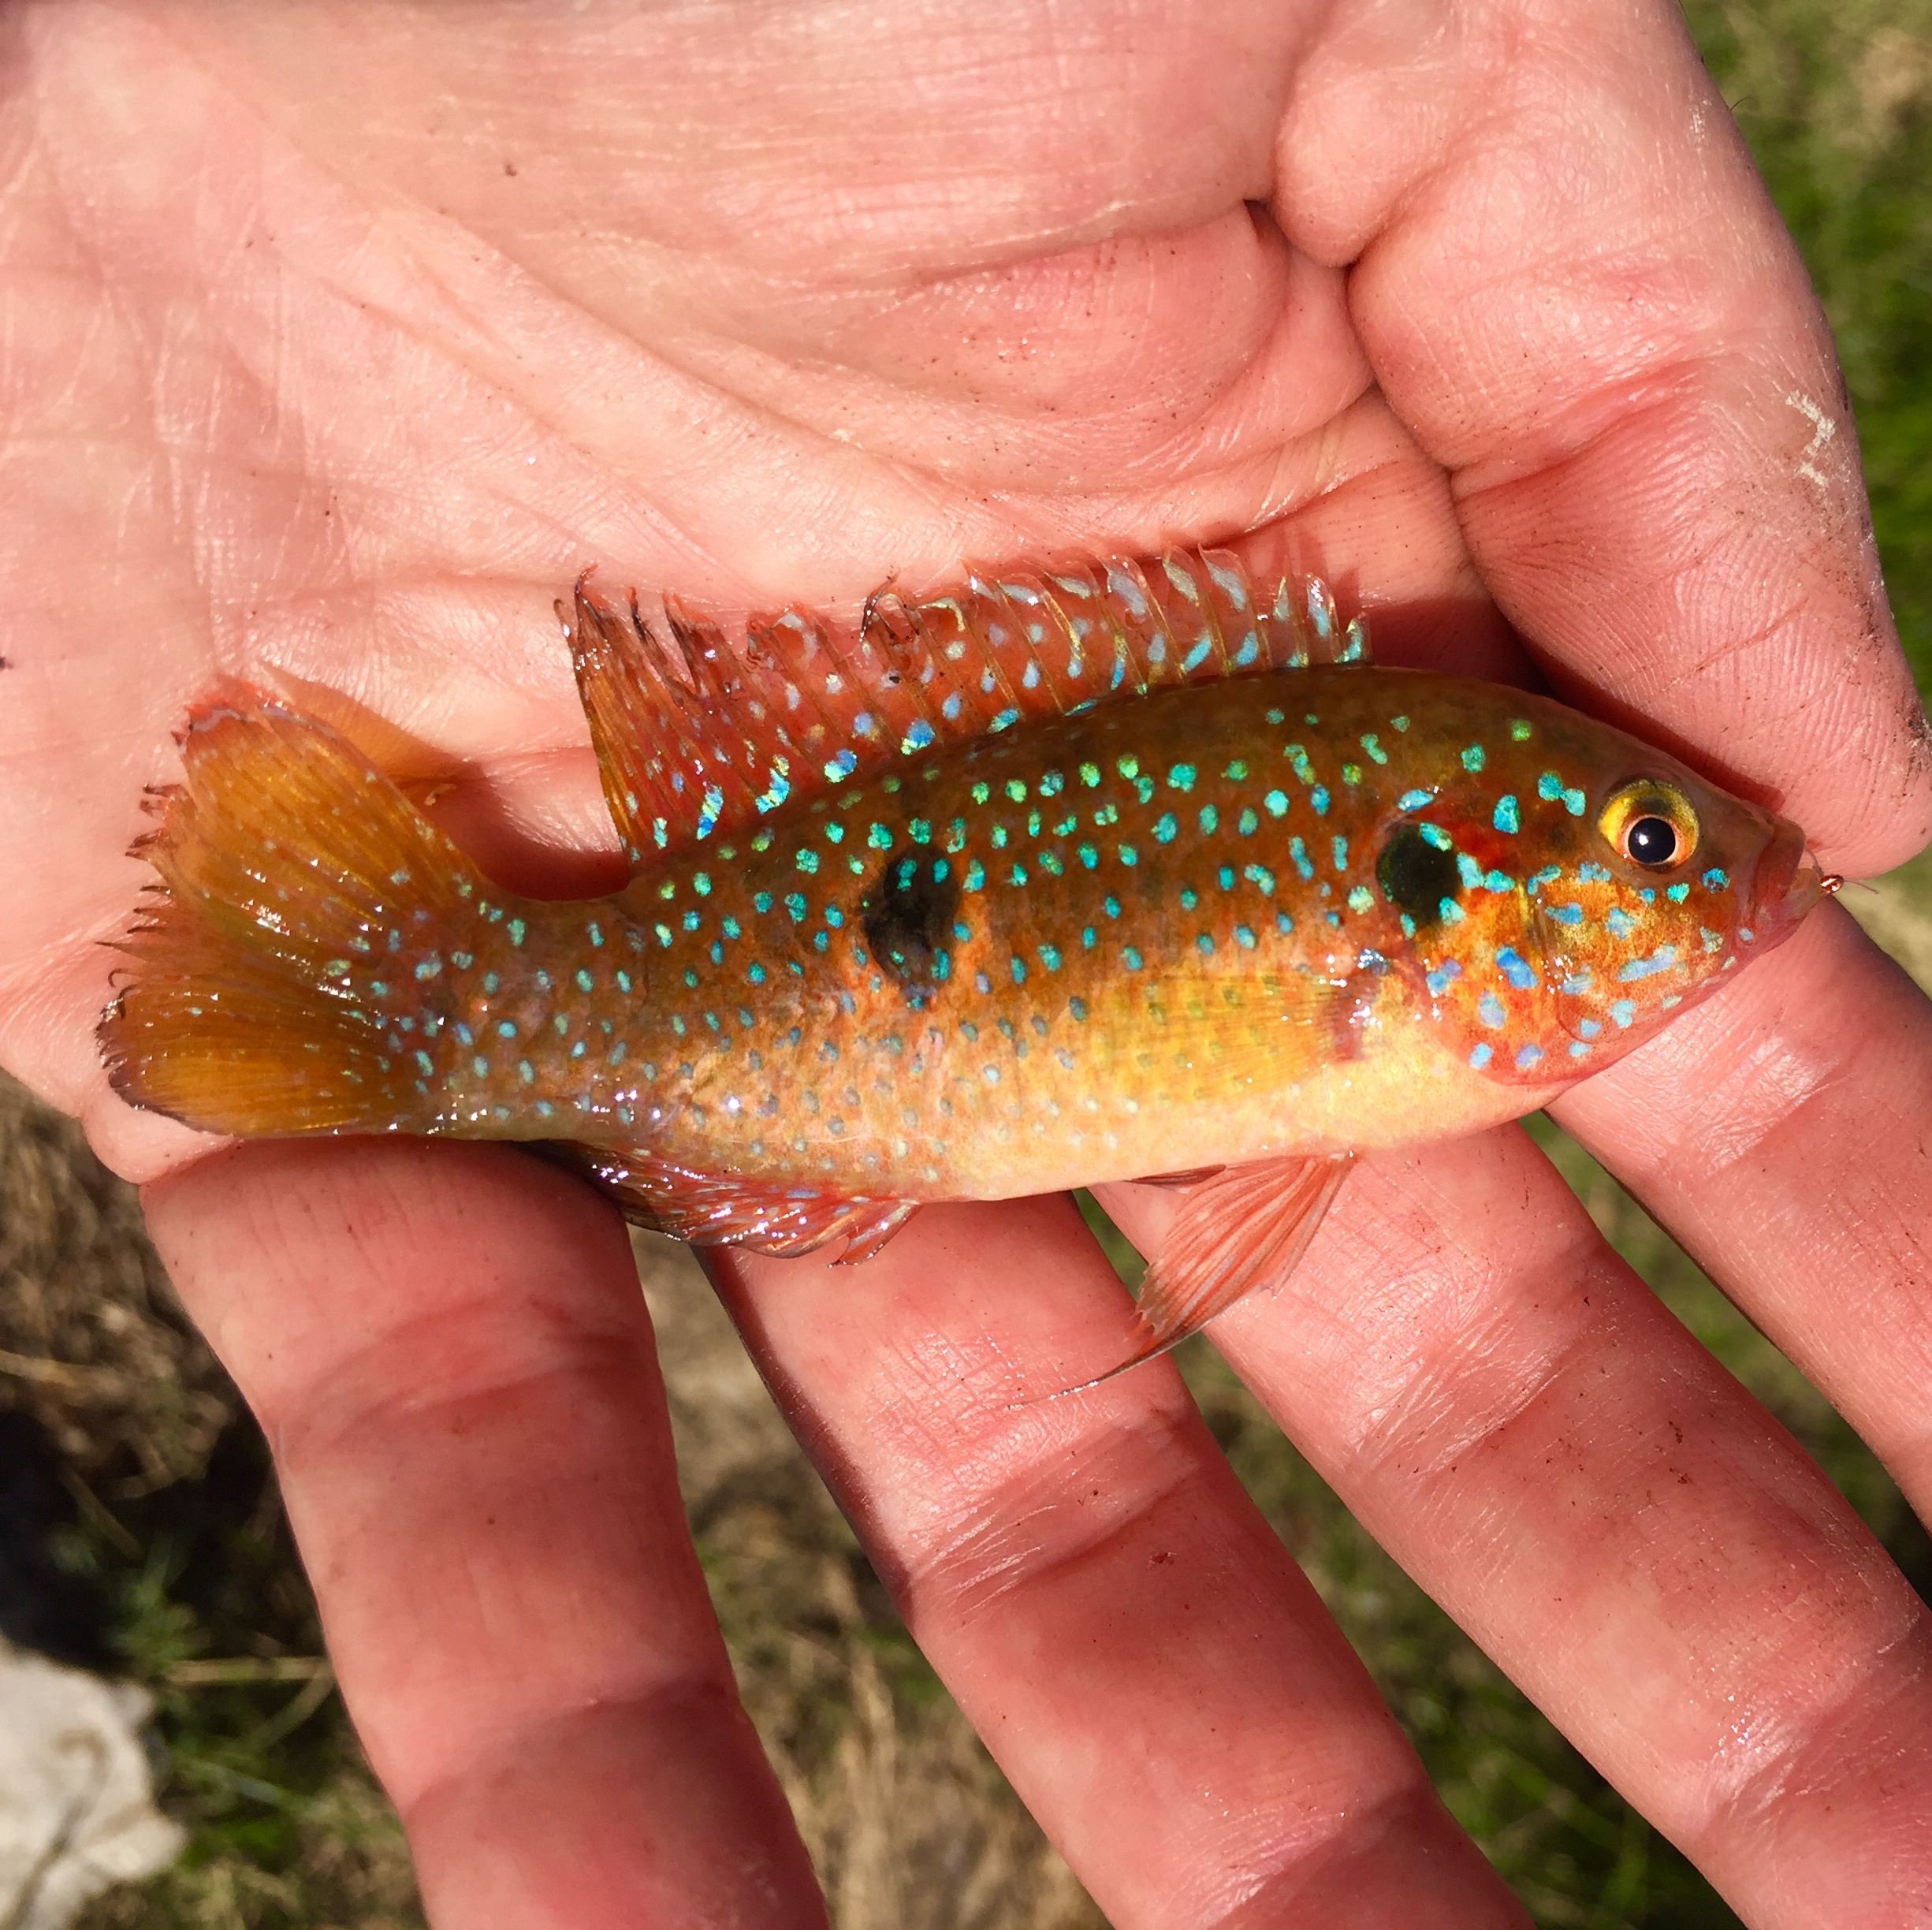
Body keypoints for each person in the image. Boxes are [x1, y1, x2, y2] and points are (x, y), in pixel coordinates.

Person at [3, 2, 1929, 1922]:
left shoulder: (1399, 864)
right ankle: (376, 985)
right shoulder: (1387, 905)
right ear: (1439, 892)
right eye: (1644, 846)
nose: (1709, 862)